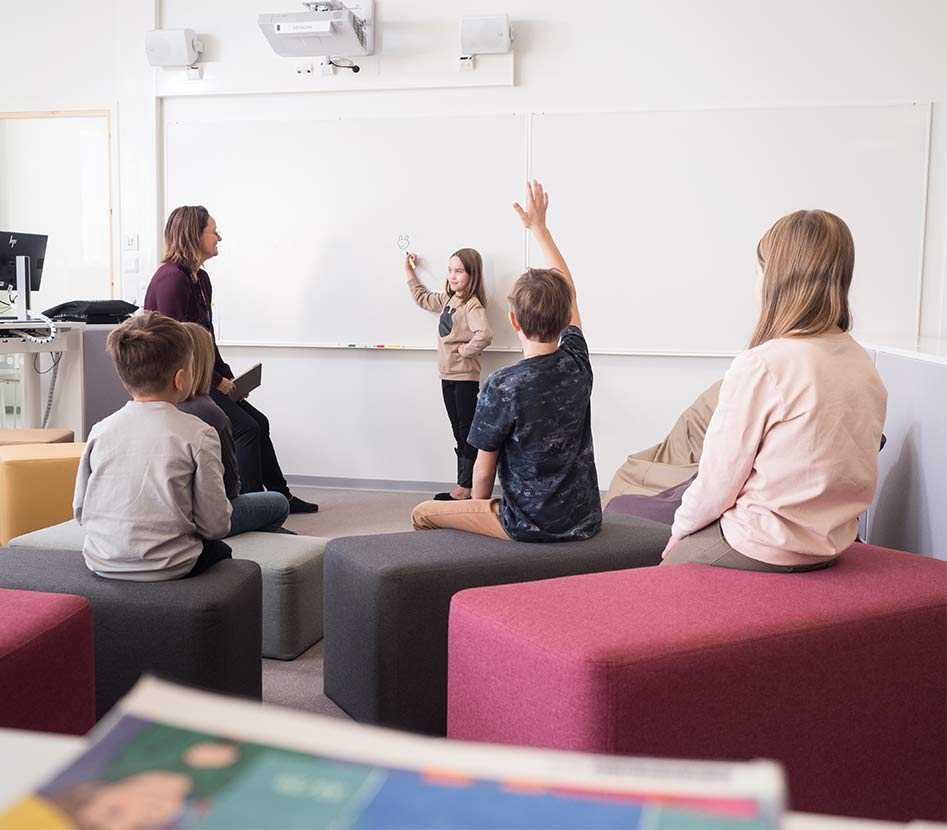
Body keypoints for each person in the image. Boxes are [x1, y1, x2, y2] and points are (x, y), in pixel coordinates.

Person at [663, 209, 888, 572]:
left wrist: (679, 533)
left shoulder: (763, 365)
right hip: (829, 547)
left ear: (777, 278)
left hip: (760, 545)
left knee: (660, 578)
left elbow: (718, 482)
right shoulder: (863, 366)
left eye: (759, 270)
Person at [411, 180, 601, 541]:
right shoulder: (577, 362)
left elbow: (483, 474)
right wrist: (540, 230)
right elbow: (569, 290)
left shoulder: (504, 384)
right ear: (564, 321)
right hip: (585, 519)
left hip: (525, 525)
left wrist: (476, 510)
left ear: (513, 321)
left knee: (422, 513)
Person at [144, 205, 318, 514]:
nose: (219, 237)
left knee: (259, 422)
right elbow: (178, 346)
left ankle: (281, 496)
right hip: (181, 382)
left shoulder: (200, 279)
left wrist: (229, 379)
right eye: (214, 231)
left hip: (205, 375)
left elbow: (206, 338)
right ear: (194, 235)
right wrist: (215, 382)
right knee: (245, 429)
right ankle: (251, 507)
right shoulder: (171, 280)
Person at [73, 312, 233, 580]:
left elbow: (80, 510)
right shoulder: (199, 433)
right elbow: (215, 526)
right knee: (223, 550)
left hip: (101, 561)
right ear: (180, 379)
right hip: (171, 566)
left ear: (125, 378)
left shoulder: (100, 430)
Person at [179, 322, 291, 536]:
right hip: (202, 522)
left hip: (109, 559)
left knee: (258, 422)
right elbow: (229, 490)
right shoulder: (211, 414)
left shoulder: (106, 428)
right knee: (277, 504)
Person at [404, 247, 493, 500]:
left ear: (472, 274)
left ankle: (465, 487)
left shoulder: (473, 305)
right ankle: (465, 484)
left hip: (464, 377)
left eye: (459, 271)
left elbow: (484, 334)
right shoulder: (449, 299)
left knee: (465, 431)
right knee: (458, 430)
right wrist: (409, 270)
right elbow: (423, 298)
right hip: (447, 375)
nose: (453, 276)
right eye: (450, 270)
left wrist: (466, 351)